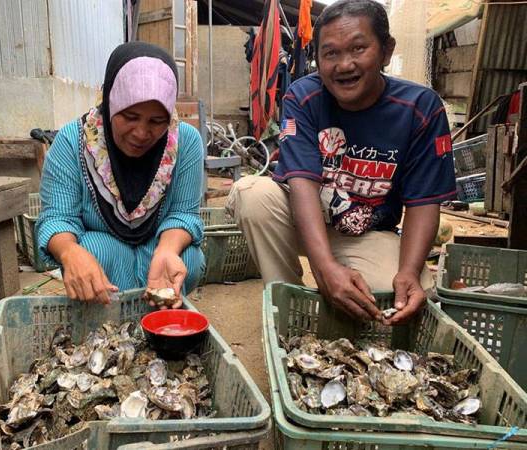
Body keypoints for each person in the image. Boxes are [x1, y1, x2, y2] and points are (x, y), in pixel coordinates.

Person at [227, 0, 455, 325]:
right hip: (306, 222)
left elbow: (423, 202)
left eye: (358, 48)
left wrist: (407, 271)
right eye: (330, 53)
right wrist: (324, 268)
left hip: (368, 233)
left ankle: (346, 300)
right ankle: (289, 309)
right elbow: (302, 184)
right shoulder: (303, 97)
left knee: (408, 292)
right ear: (317, 58)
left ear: (386, 51)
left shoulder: (420, 108)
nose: (344, 64)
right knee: (252, 193)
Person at [36, 42, 205, 306]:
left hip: (154, 247)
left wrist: (167, 250)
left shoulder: (185, 142)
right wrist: (70, 252)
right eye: (130, 116)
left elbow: (184, 213)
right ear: (110, 103)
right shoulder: (72, 141)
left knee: (189, 259)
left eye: (156, 121)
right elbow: (57, 217)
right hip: (105, 252)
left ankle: (153, 309)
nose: (141, 133)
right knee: (91, 250)